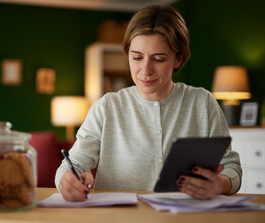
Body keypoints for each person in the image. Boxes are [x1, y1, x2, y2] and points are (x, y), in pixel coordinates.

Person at [55, 5, 241, 201]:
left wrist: (221, 184)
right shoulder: (107, 107)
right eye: (137, 57)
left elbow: (232, 167)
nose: (145, 70)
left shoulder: (203, 103)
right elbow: (74, 162)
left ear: (178, 59)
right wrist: (67, 179)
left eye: (158, 59)